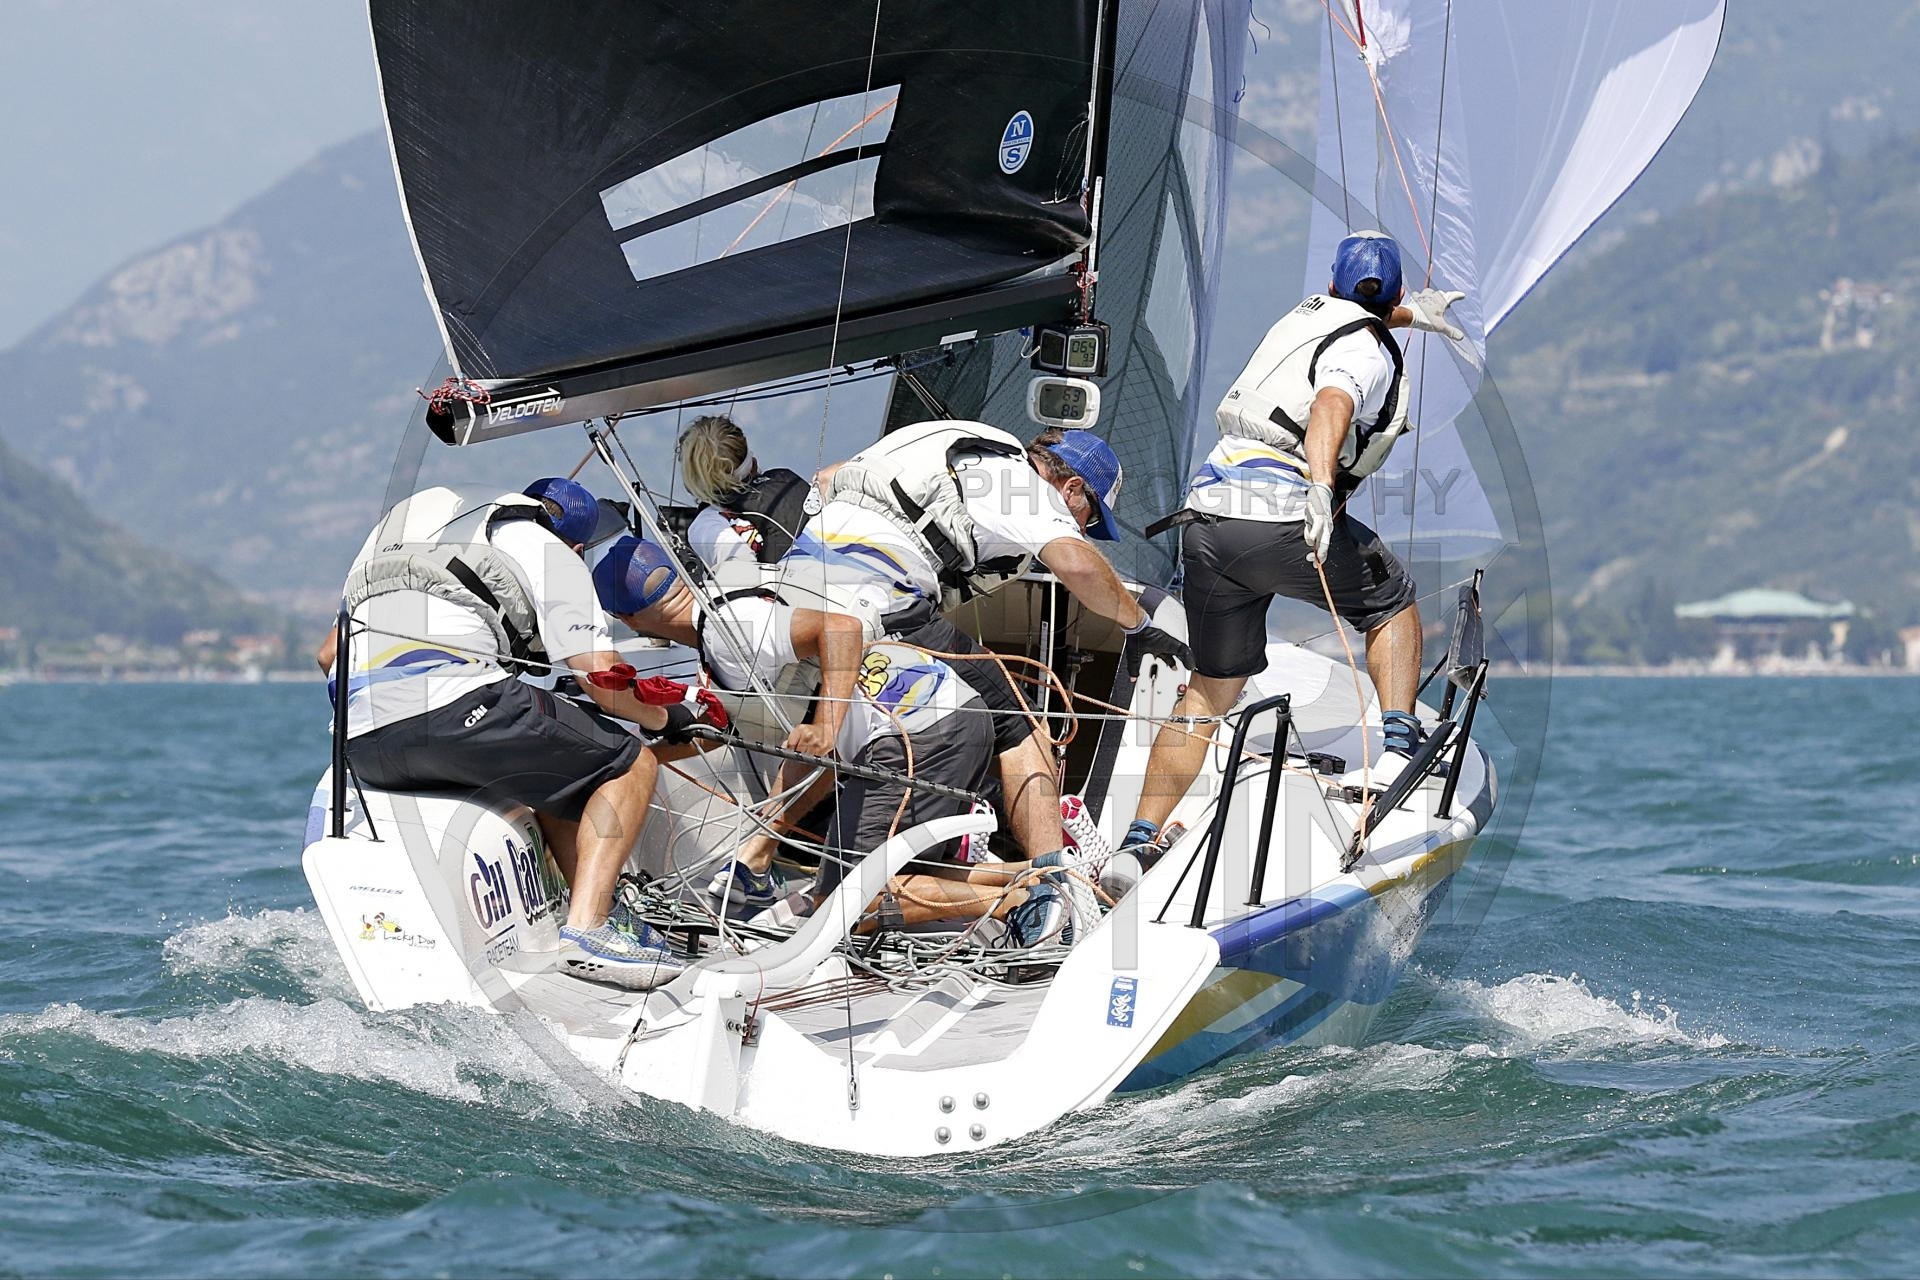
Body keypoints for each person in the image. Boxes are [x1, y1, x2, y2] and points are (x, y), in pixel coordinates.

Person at [1121, 231, 1466, 856]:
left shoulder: (1308, 315)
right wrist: (1321, 485)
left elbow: (1360, 312)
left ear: (1332, 284)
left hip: (1207, 520)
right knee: (1391, 599)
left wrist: (1418, 317)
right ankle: (1398, 749)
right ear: (1395, 296)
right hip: (1279, 514)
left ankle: (1138, 839)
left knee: (1209, 688)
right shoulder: (1365, 351)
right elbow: (1333, 401)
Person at [315, 477, 723, 990]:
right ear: (576, 546)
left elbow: (327, 656)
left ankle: (589, 907)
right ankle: (590, 930)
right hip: (458, 705)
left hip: (361, 745)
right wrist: (664, 719)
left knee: (558, 767)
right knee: (629, 763)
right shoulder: (548, 549)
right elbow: (598, 674)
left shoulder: (410, 547)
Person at [592, 536, 1086, 948]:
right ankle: (1044, 876)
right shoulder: (730, 602)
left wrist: (826, 729)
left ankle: (1019, 903)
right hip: (945, 715)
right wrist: (638, 761)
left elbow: (840, 629)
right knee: (890, 873)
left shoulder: (728, 629)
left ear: (627, 620)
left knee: (848, 902)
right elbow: (745, 729)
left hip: (914, 733)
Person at [783, 422, 1190, 860]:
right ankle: (1053, 876)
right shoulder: (1022, 486)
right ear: (1071, 488)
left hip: (794, 589)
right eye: (1088, 520)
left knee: (838, 721)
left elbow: (826, 479)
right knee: (1019, 722)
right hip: (879, 601)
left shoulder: (951, 447)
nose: (1084, 531)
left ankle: (756, 856)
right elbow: (1078, 565)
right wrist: (1138, 626)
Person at [676, 414, 815, 579]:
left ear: (692, 481)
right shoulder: (786, 480)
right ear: (752, 462)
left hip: (794, 591)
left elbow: (741, 576)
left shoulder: (707, 524)